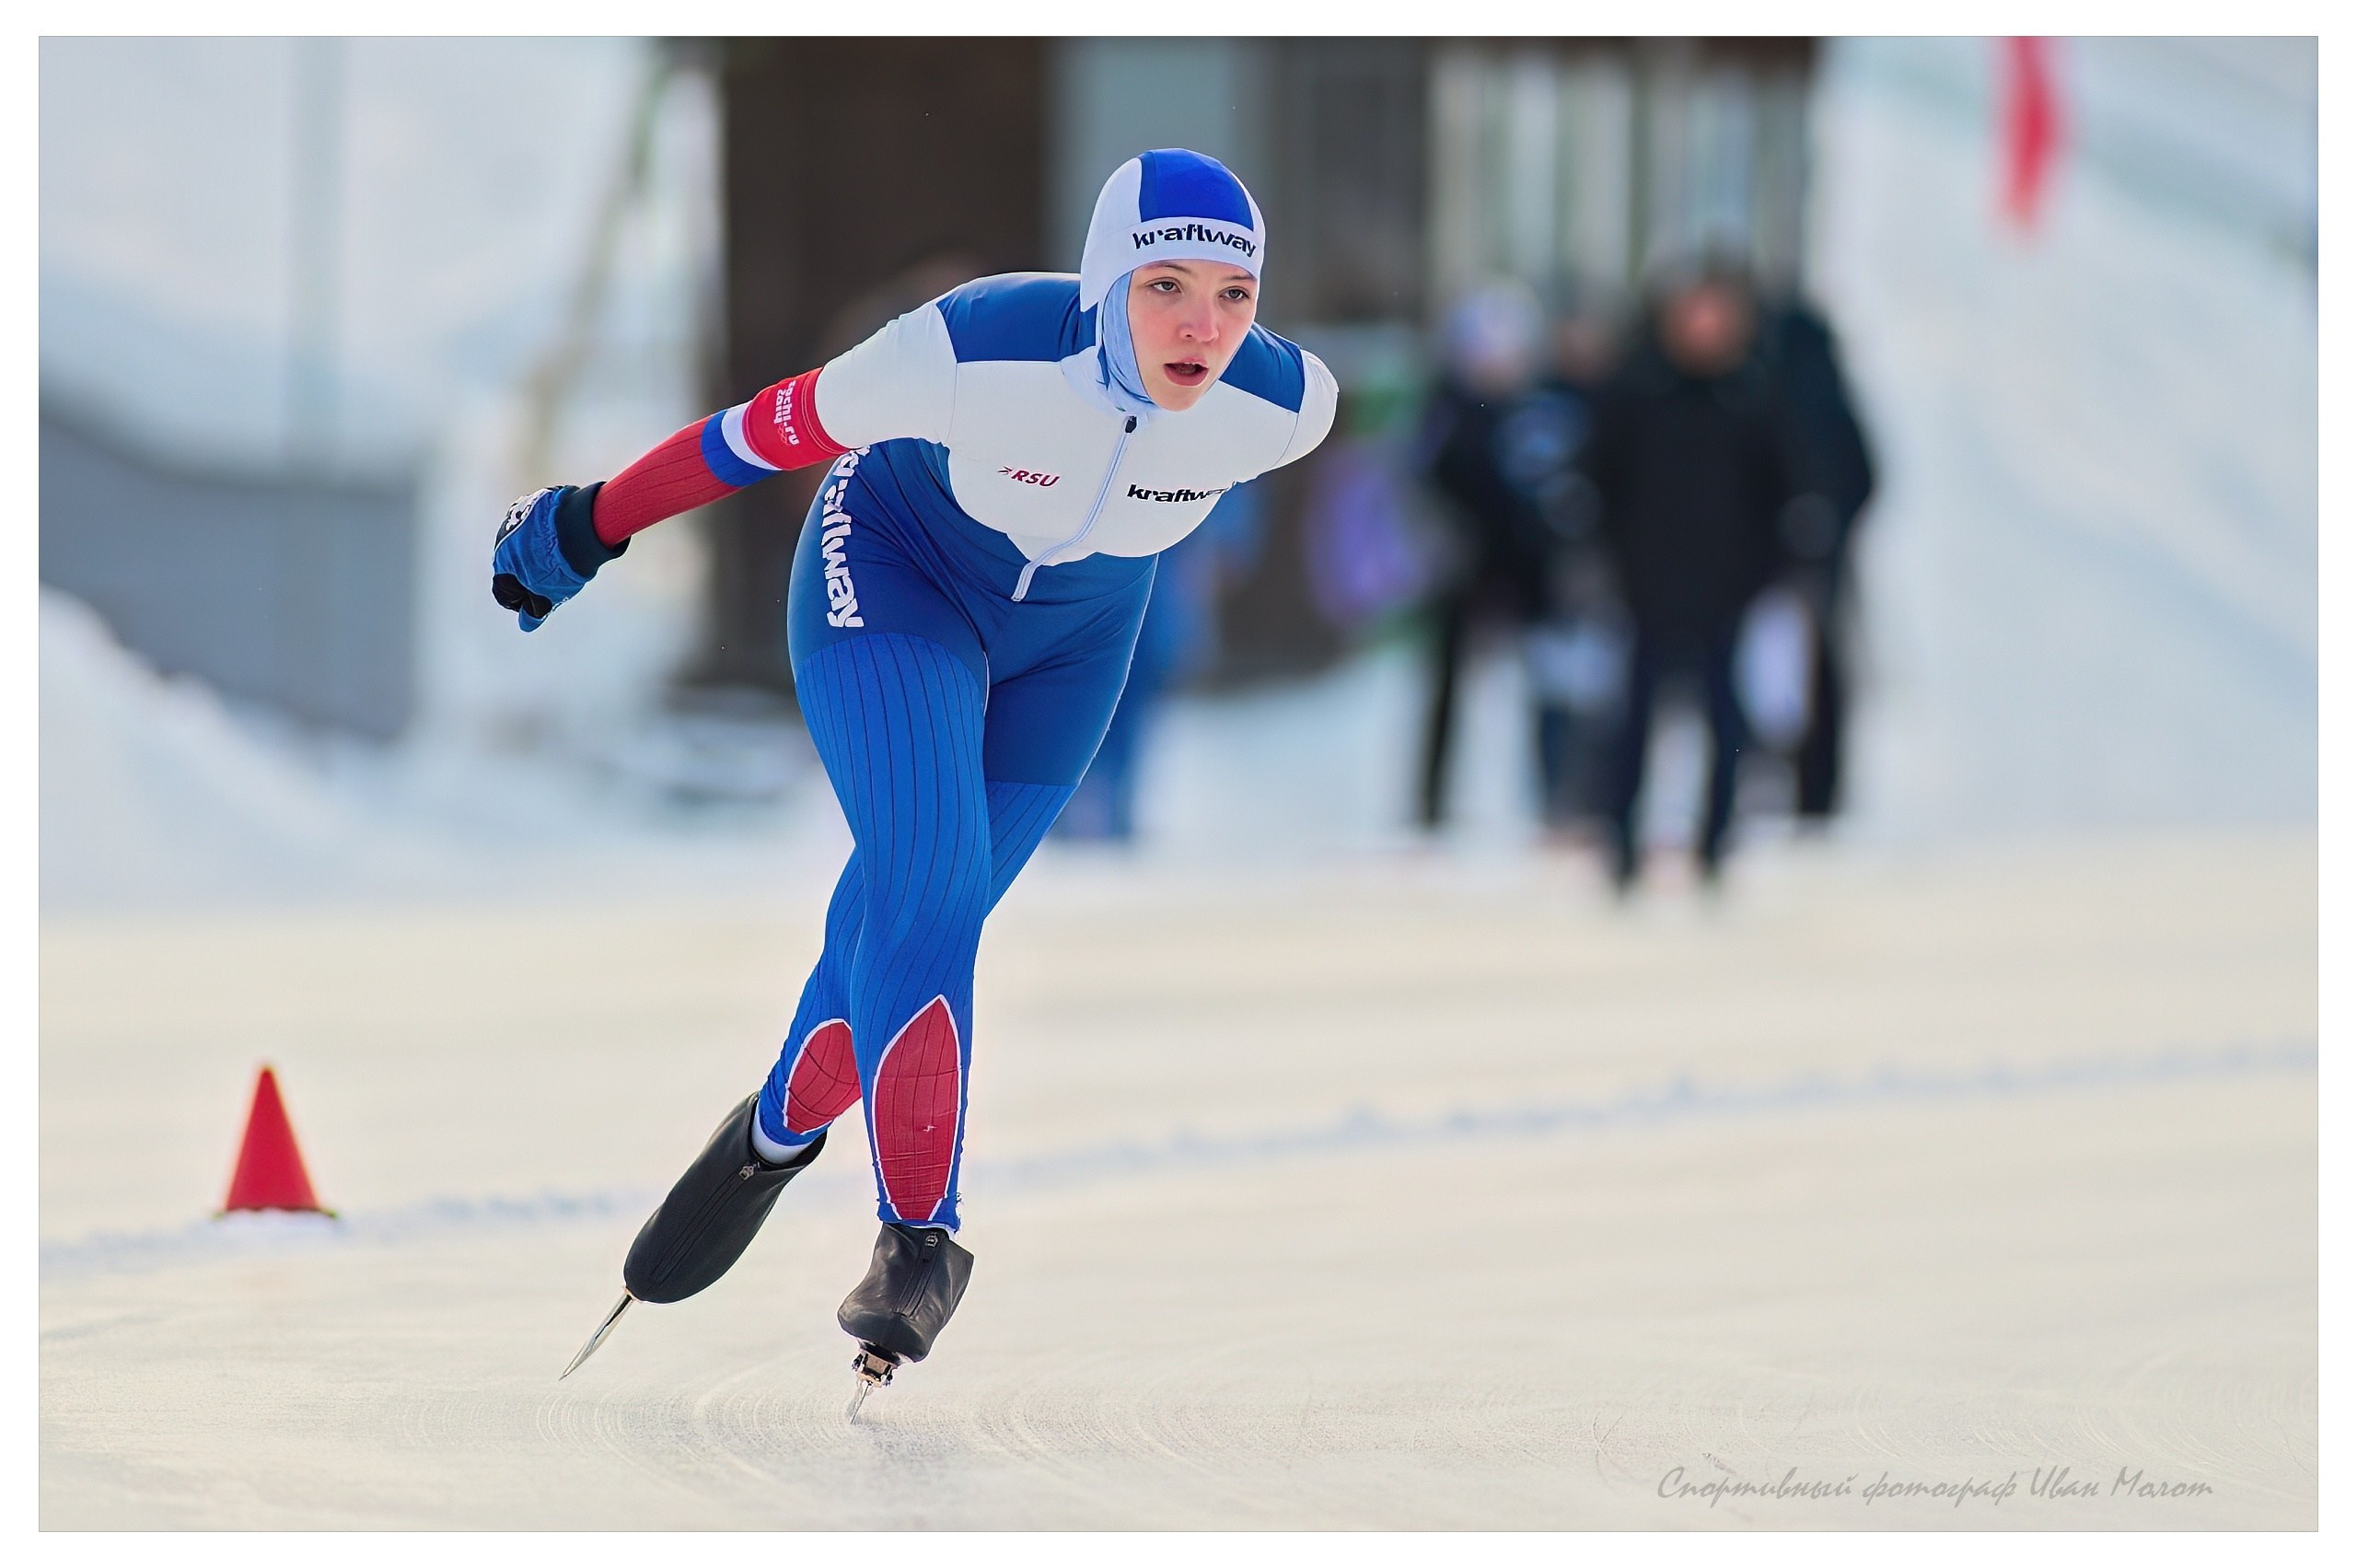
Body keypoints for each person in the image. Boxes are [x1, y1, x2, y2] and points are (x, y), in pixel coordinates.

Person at [493, 149, 1336, 1401]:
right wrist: (590, 520)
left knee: (900, 928)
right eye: (1165, 285)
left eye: (1233, 294)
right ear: (1105, 279)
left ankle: (778, 1124)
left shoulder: (1288, 404)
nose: (1201, 327)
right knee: (931, 888)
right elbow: (753, 432)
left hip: (1077, 639)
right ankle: (919, 1238)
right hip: (891, 575)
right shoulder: (968, 348)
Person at [1579, 262, 1804, 890]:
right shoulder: (1639, 392)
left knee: (1727, 723)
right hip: (1645, 589)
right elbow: (1598, 481)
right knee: (1633, 721)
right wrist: (1608, 560)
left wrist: (1765, 571)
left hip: (1724, 592)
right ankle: (1620, 844)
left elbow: (1785, 494)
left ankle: (1714, 845)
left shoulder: (1751, 397)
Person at [1413, 283, 1588, 831]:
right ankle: (1431, 804)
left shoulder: (1544, 408)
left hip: (1527, 566)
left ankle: (1557, 796)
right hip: (1464, 567)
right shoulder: (1448, 412)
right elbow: (1427, 486)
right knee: (1449, 686)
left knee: (1551, 683)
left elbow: (1554, 486)